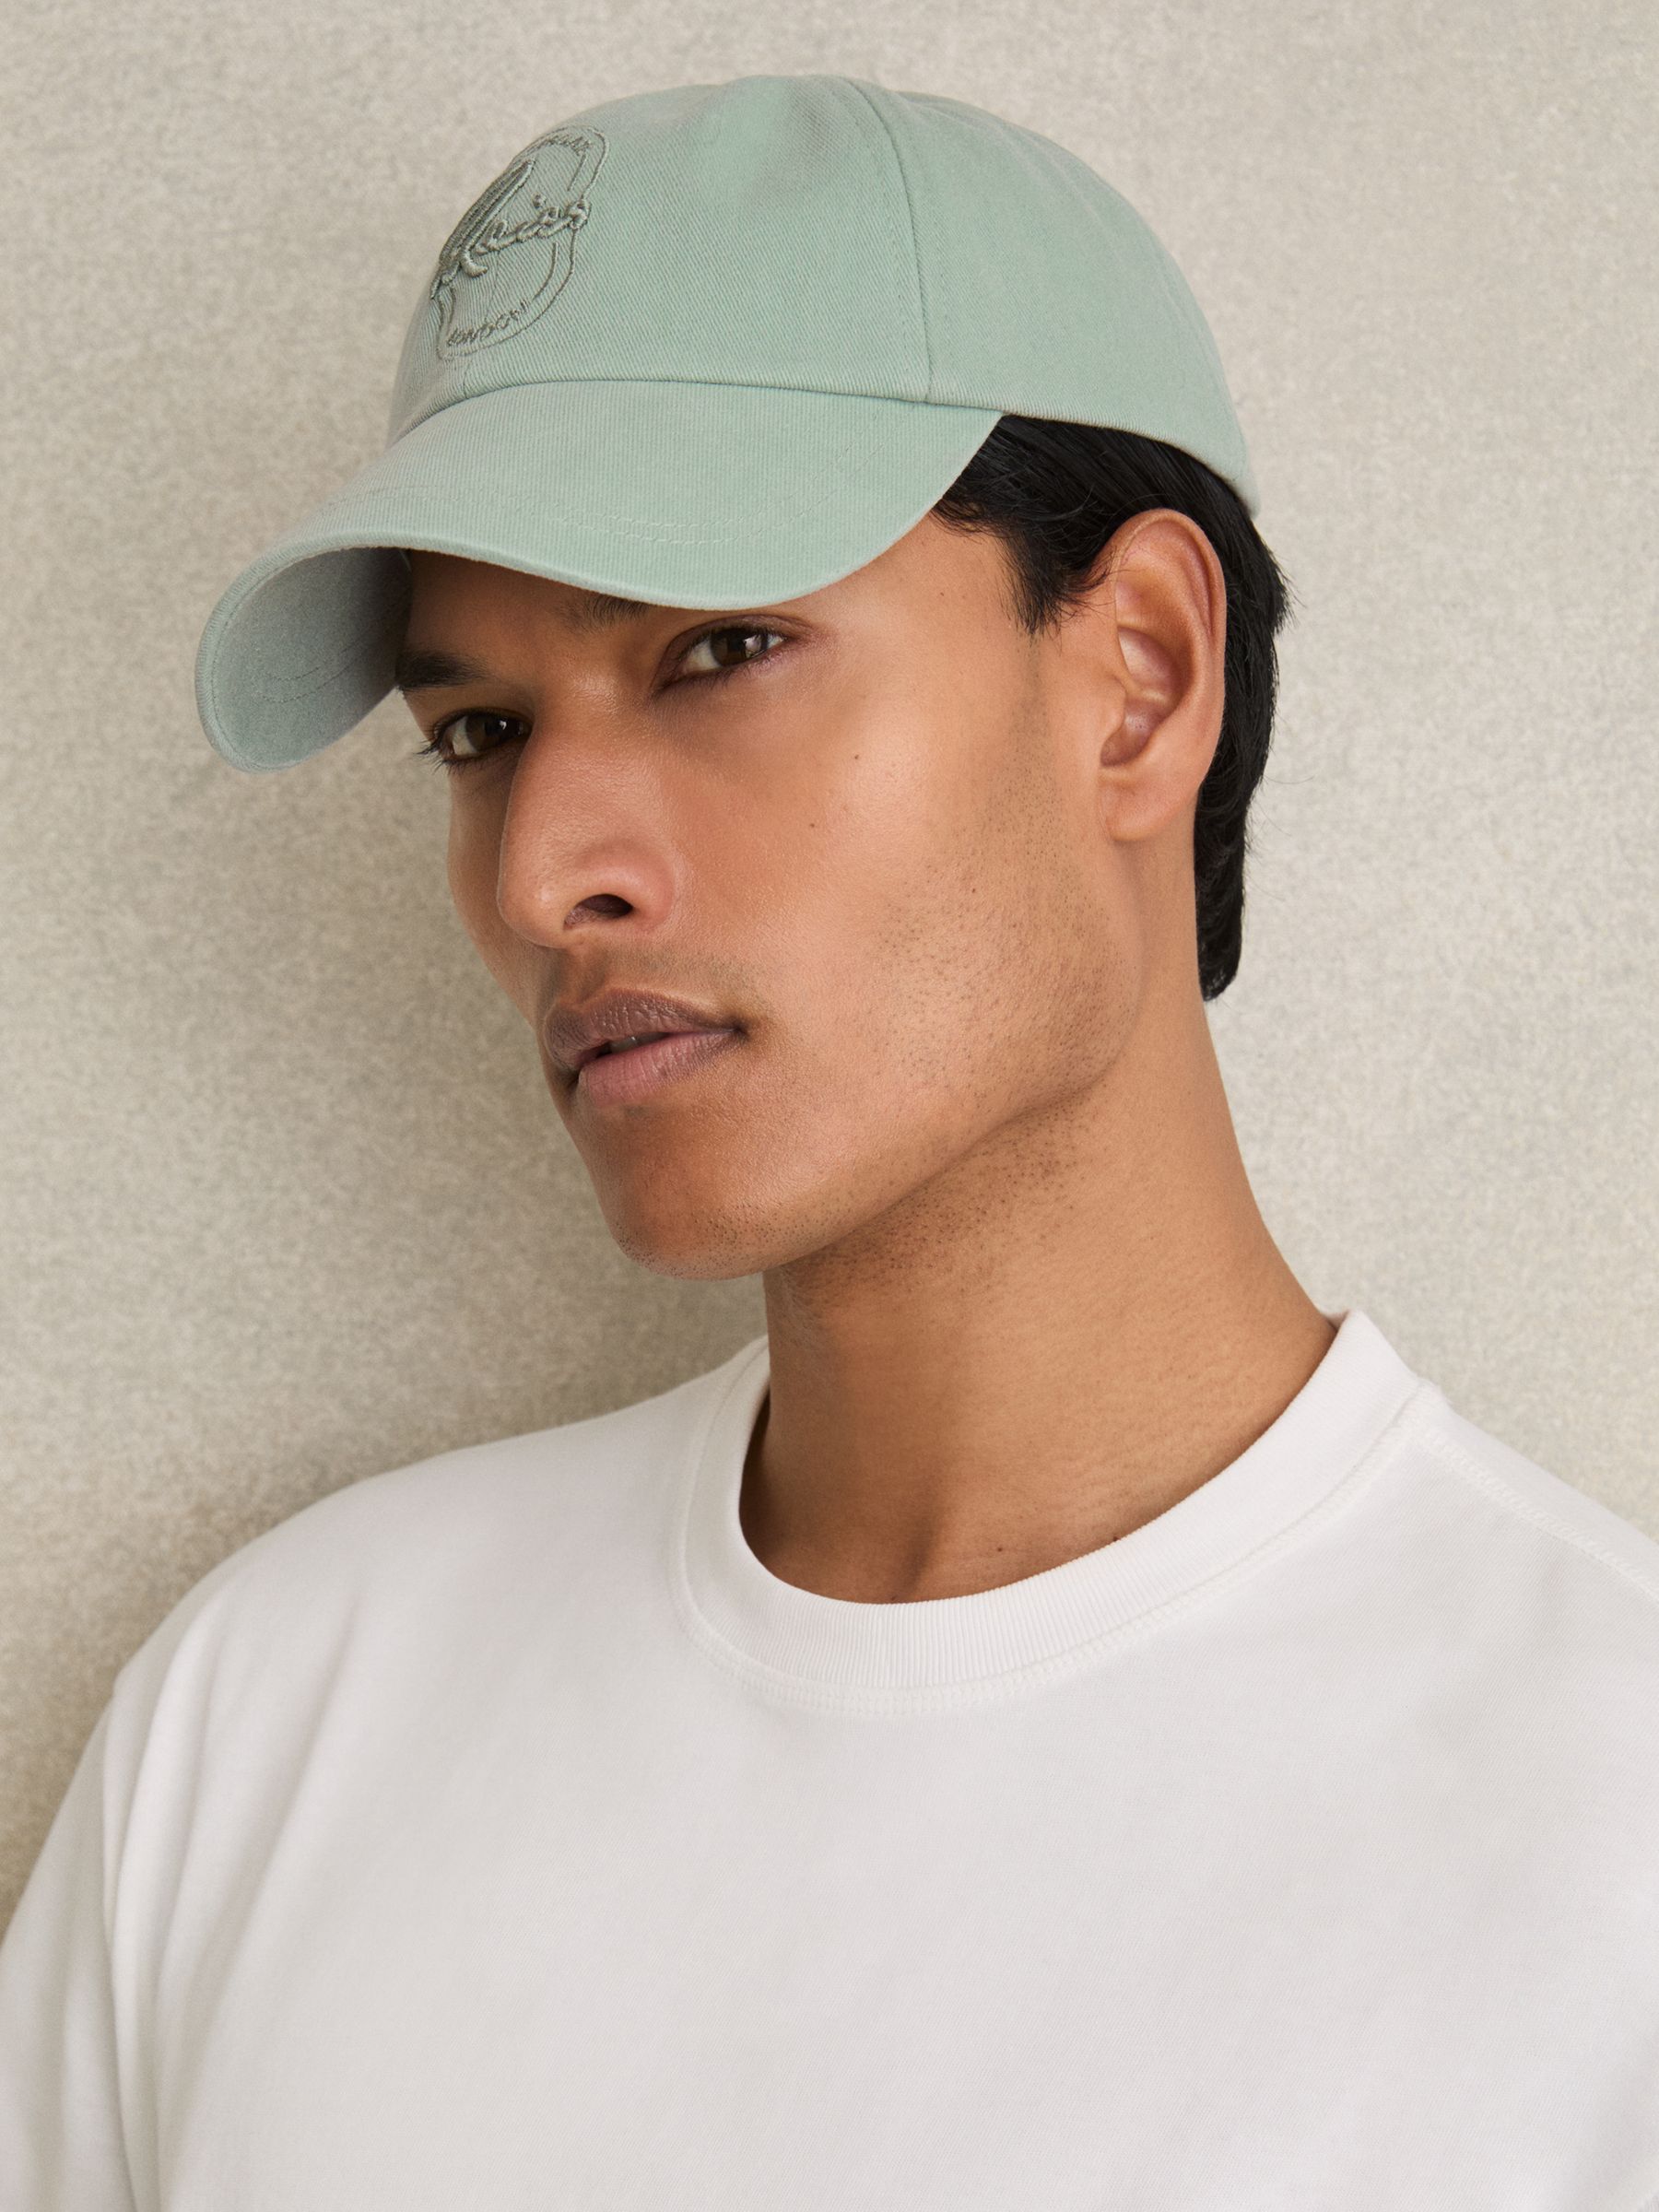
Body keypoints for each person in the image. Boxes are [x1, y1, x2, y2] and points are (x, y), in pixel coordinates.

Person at [2, 70, 1655, 2210]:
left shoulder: (1604, 1834)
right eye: (478, 732)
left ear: (1141, 680)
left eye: (720, 648)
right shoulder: (272, 1722)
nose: (545, 875)